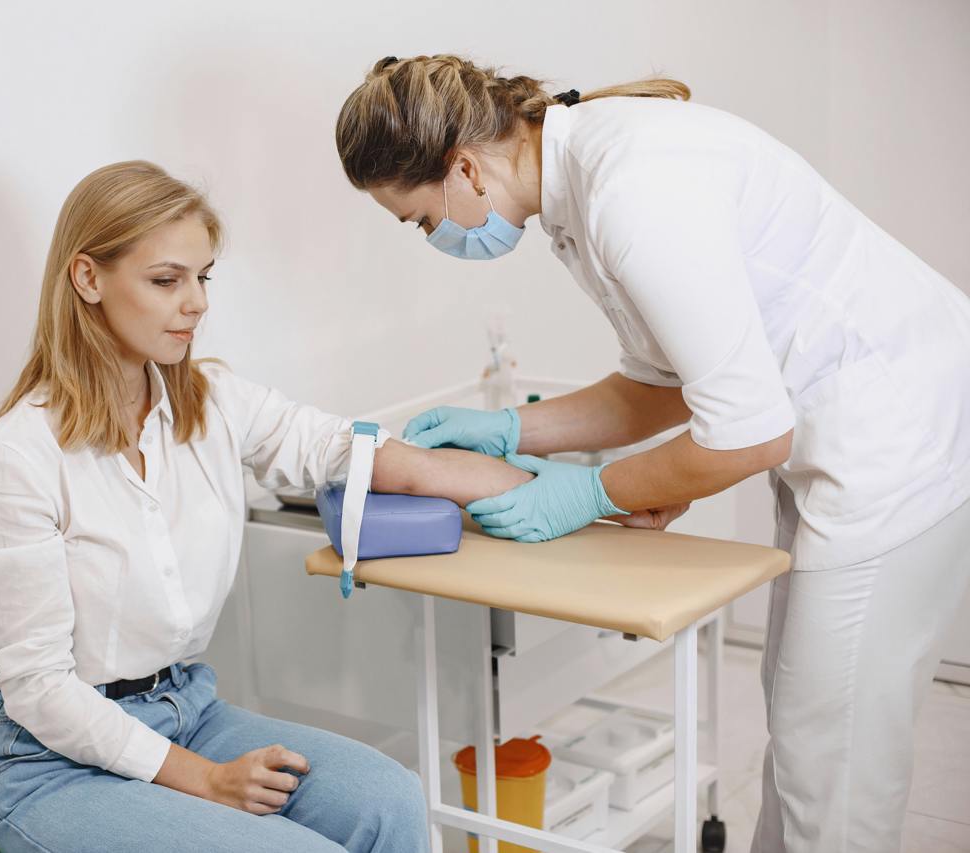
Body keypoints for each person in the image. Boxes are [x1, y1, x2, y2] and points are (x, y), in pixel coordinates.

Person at [334, 54, 970, 853]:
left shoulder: (632, 191)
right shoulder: (582, 183)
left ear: (463, 168)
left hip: (899, 440)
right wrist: (511, 431)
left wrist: (589, 492)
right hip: (848, 432)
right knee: (802, 721)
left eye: (422, 219)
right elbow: (663, 382)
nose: (435, 237)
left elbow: (748, 433)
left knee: (833, 754)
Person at [0, 160, 533, 853]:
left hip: (185, 711)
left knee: (390, 799)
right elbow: (40, 690)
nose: (196, 303)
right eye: (167, 280)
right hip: (52, 764)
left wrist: (527, 487)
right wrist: (205, 779)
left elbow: (331, 445)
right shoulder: (17, 460)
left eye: (203, 277)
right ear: (88, 278)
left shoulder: (210, 402)